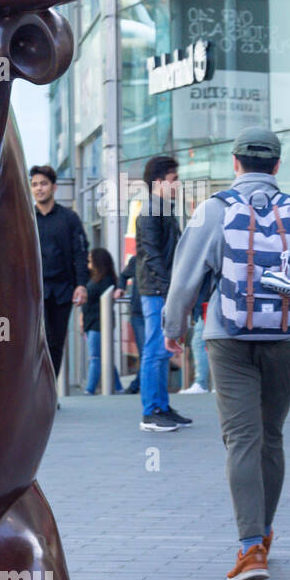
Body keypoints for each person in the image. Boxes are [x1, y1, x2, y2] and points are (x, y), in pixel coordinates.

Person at [163, 128, 290, 580]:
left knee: (242, 440)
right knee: (271, 437)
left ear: (235, 163)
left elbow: (184, 280)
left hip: (228, 337)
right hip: (284, 339)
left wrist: (174, 331)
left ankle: (249, 548)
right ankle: (265, 537)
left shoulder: (214, 210)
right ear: (276, 166)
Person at [135, 155, 192, 432]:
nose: (177, 184)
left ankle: (162, 407)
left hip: (162, 288)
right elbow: (151, 253)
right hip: (157, 290)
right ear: (159, 182)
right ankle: (151, 412)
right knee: (155, 350)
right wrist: (170, 288)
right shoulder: (151, 211)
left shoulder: (162, 209)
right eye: (174, 179)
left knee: (161, 351)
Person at [29, 165, 88, 382]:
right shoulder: (27, 218)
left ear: (54, 187)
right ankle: (33, 392)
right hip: (34, 292)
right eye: (34, 184)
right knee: (34, 343)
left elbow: (81, 253)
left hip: (63, 290)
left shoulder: (69, 218)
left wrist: (81, 284)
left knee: (55, 343)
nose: (39, 189)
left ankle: (49, 392)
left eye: (43, 184)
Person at [79, 248, 122, 395]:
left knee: (95, 357)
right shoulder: (91, 278)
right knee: (104, 356)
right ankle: (118, 387)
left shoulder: (106, 279)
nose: (88, 262)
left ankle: (89, 389)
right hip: (90, 323)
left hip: (100, 323)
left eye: (91, 260)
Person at [116, 253, 143, 394]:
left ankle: (137, 385)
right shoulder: (136, 260)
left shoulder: (167, 256)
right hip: (139, 312)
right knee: (145, 352)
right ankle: (137, 385)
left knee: (152, 352)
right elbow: (123, 276)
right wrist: (120, 287)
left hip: (156, 310)